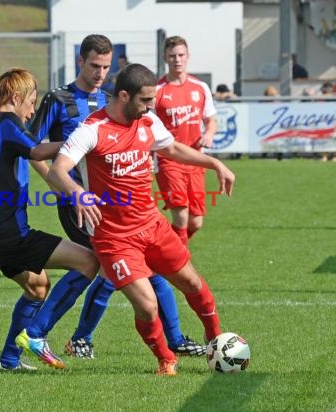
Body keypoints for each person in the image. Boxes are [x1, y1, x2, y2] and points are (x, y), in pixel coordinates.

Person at [45, 63, 235, 375]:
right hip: (114, 238)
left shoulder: (147, 121)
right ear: (123, 95)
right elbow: (57, 170)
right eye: (145, 100)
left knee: (192, 282)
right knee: (147, 305)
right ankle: (166, 360)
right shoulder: (91, 129)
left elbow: (172, 147)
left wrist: (214, 163)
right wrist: (78, 193)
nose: (150, 107)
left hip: (152, 225)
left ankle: (215, 340)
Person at [29, 34, 205, 361]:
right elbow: (34, 150)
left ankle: (66, 336)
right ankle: (64, 336)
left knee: (112, 269)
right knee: (118, 268)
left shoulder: (115, 99)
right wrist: (66, 174)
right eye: (94, 65)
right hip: (82, 204)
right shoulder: (59, 98)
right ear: (80, 61)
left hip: (122, 204)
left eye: (106, 66)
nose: (99, 72)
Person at [0, 68, 99, 371]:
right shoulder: (7, 122)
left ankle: (9, 359)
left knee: (37, 287)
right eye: (31, 102)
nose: (32, 111)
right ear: (15, 98)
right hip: (9, 234)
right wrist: (81, 143)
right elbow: (36, 149)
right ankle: (37, 335)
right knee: (90, 261)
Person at [154, 36, 217, 248]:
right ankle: (181, 265)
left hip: (196, 159)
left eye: (181, 55)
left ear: (188, 57)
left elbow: (211, 120)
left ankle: (164, 253)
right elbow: (146, 124)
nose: (177, 60)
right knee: (180, 215)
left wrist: (208, 134)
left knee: (196, 222)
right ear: (165, 58)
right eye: (172, 56)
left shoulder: (200, 87)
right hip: (169, 159)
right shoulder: (157, 91)